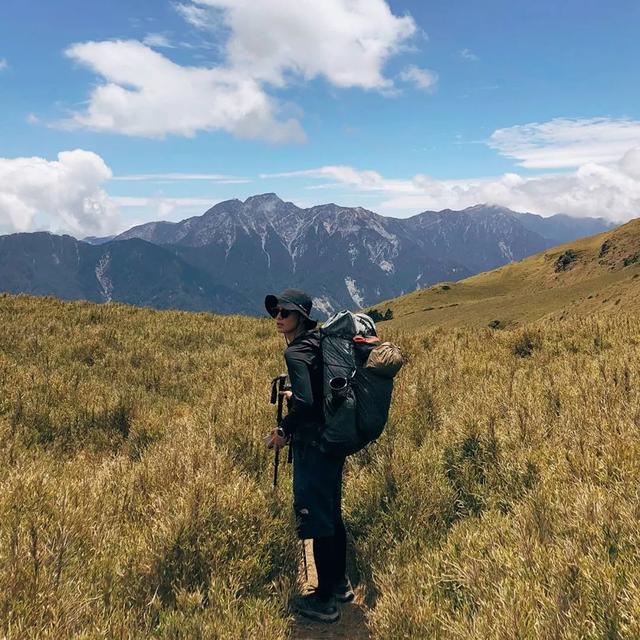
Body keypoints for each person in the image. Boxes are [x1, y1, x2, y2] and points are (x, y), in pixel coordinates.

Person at [264, 288, 354, 624]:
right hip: (333, 441)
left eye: (284, 313)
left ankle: (324, 601)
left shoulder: (296, 353)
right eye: (275, 312)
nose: (278, 318)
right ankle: (341, 585)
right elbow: (316, 391)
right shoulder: (318, 344)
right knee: (332, 512)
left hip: (313, 445)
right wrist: (296, 391)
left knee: (316, 520)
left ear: (300, 317)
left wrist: (283, 430)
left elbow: (304, 403)